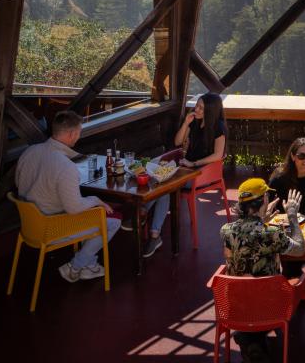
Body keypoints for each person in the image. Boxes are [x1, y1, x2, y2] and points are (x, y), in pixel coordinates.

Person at [15, 110, 121, 284]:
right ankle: (76, 266)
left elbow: (19, 183)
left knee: (89, 211)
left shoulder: (30, 152)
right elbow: (74, 208)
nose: (78, 136)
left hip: (29, 225)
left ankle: (89, 264)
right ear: (72, 134)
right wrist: (96, 200)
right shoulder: (65, 167)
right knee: (110, 221)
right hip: (52, 227)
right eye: (79, 132)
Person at [218, 178, 304, 362]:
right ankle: (253, 341)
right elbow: (300, 249)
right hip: (269, 307)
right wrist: (292, 217)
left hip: (235, 306)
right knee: (294, 284)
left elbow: (232, 252)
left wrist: (262, 220)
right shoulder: (271, 234)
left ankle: (249, 339)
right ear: (264, 199)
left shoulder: (226, 230)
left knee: (251, 296)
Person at [144, 92, 227, 257]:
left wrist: (193, 164)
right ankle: (153, 232)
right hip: (185, 169)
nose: (197, 109)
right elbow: (177, 142)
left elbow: (218, 155)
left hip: (201, 172)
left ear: (211, 110)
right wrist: (185, 124)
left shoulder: (219, 127)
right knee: (161, 180)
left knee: (166, 185)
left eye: (202, 107)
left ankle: (144, 217)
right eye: (197, 105)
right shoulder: (195, 122)